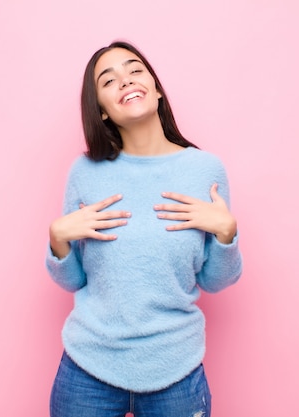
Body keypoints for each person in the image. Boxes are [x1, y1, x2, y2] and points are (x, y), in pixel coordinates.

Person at [45, 40, 243, 417]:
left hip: (176, 370)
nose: (125, 80)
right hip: (88, 368)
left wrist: (226, 236)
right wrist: (58, 242)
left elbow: (216, 281)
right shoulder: (85, 173)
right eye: (109, 80)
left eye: (135, 70)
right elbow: (73, 281)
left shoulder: (205, 170)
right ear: (101, 110)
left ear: (155, 89)